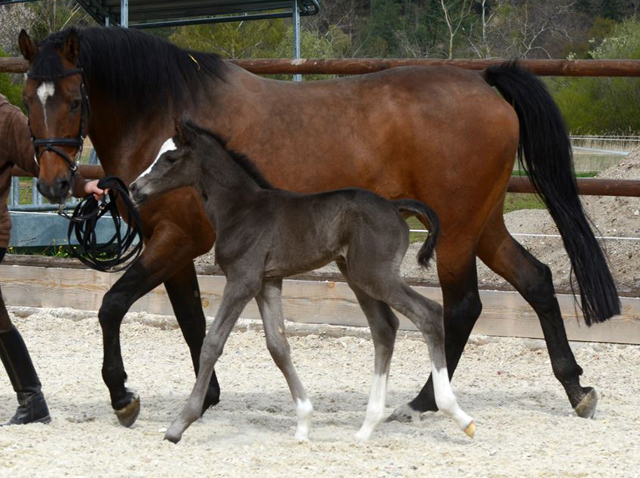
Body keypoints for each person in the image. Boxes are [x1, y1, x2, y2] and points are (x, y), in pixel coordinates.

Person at [0, 93, 103, 425]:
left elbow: (44, 160)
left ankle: (32, 399)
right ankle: (32, 399)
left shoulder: (6, 119)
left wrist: (83, 185)